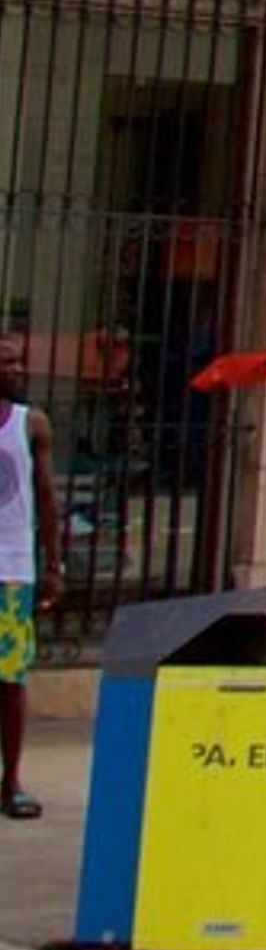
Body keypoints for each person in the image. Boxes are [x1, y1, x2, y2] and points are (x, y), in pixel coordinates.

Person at [0, 344, 52, 820]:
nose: (17, 369)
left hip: (12, 571)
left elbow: (47, 498)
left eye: (19, 362)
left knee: (10, 680)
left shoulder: (30, 423)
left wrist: (54, 564)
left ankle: (10, 779)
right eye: (6, 363)